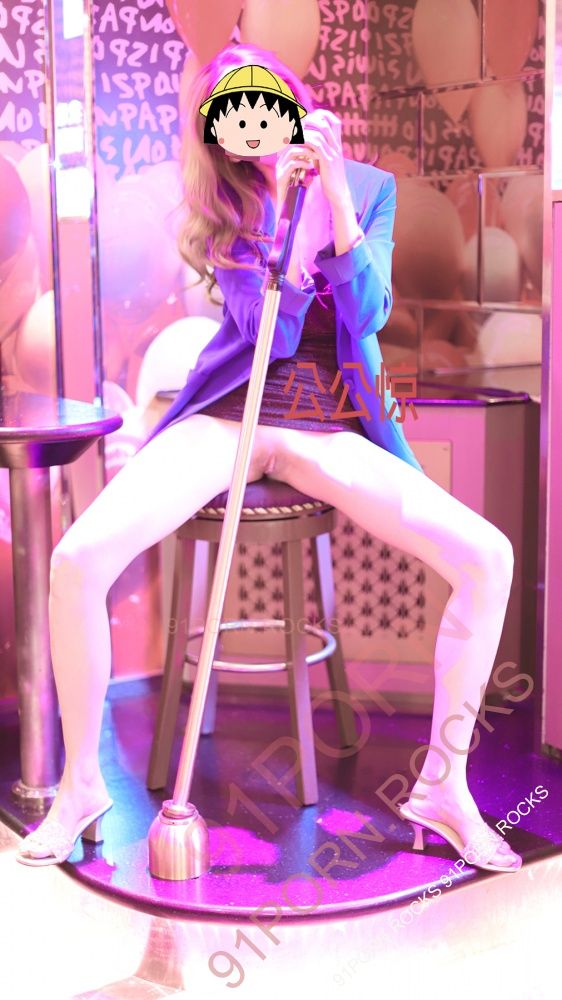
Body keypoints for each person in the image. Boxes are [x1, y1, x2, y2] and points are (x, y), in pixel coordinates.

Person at [16, 42, 521, 873]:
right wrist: (282, 222)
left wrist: (333, 200)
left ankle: (444, 787)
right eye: (230, 118)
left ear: (293, 102)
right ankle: (80, 789)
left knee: (488, 556)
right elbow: (269, 336)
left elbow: (367, 314)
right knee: (75, 561)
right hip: (232, 416)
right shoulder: (227, 207)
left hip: (328, 424)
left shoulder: (371, 189)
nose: (251, 128)